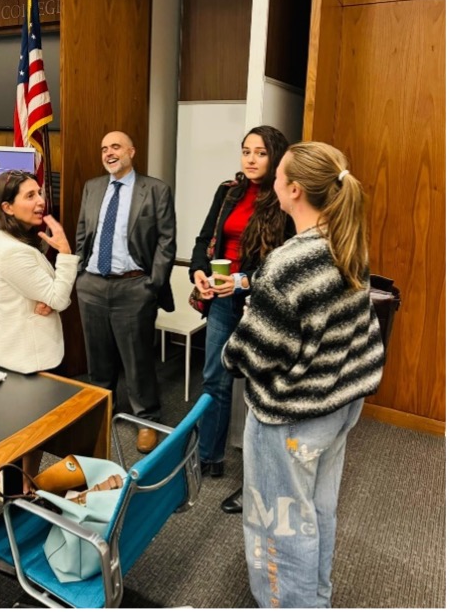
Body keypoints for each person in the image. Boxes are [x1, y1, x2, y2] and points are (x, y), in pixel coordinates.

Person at [222, 142, 385, 608]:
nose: (270, 176)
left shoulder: (289, 262)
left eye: (279, 174)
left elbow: (250, 355)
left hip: (292, 416)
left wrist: (243, 335)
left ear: (293, 190)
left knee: (281, 524)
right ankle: (316, 599)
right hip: (338, 404)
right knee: (316, 512)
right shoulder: (348, 242)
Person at [189, 125, 290, 508]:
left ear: (275, 156)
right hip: (220, 300)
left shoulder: (284, 198)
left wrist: (243, 281)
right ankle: (208, 458)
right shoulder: (228, 191)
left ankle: (259, 478)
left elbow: (283, 261)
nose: (250, 159)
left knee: (260, 388)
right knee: (214, 378)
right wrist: (198, 271)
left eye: (260, 153)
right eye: (246, 151)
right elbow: (203, 240)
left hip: (259, 303)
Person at [75, 131, 176, 454]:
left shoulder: (155, 189)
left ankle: (147, 419)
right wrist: (80, 274)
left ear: (132, 151)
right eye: (104, 148)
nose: (109, 153)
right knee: (98, 359)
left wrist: (153, 284)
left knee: (137, 359)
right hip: (92, 284)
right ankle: (101, 410)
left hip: (134, 286)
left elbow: (166, 240)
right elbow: (82, 232)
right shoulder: (92, 187)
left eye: (115, 146)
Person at [0, 169, 79, 481]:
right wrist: (64, 252)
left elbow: (45, 292)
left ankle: (22, 485)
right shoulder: (12, 251)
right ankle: (16, 490)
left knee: (27, 430)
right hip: (28, 357)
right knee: (28, 431)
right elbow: (59, 297)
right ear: (7, 207)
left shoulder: (9, 237)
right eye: (30, 195)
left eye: (39, 193)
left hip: (18, 348)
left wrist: (47, 295)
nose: (41, 201)